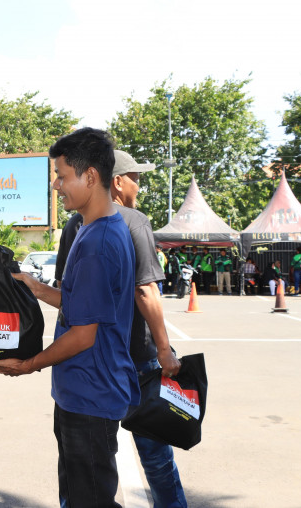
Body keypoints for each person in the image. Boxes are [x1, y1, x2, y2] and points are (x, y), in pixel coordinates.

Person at [0, 129, 139, 508]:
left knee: (89, 500)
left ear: (90, 177)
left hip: (91, 396)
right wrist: (35, 287)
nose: (56, 186)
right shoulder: (95, 228)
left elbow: (84, 334)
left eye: (61, 176)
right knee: (78, 496)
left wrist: (28, 365)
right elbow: (84, 305)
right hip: (82, 393)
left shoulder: (98, 243)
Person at [47, 148, 187, 507]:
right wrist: (164, 350)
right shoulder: (134, 221)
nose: (139, 186)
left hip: (91, 364)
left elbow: (66, 292)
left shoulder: (76, 224)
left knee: (83, 465)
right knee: (156, 457)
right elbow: (145, 291)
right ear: (119, 181)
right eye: (136, 179)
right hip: (136, 359)